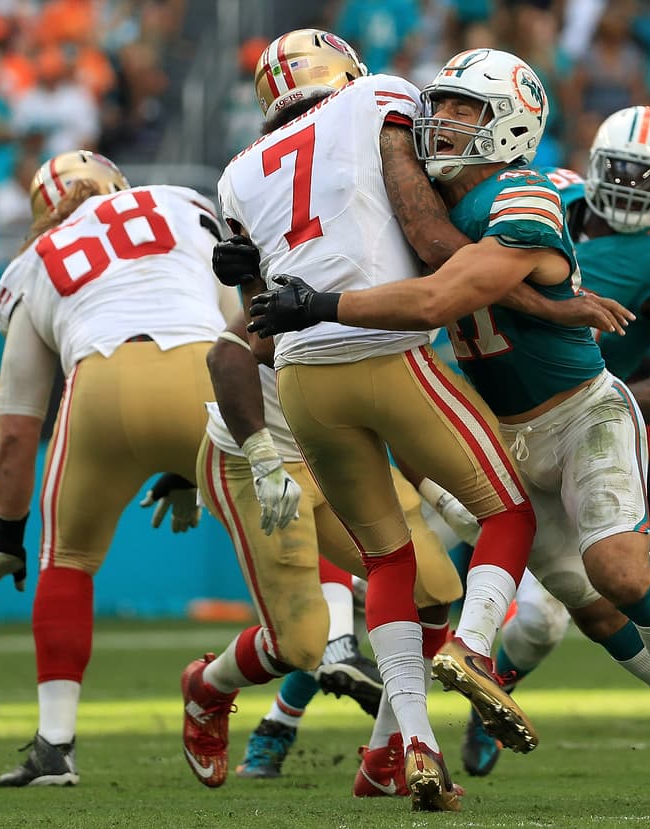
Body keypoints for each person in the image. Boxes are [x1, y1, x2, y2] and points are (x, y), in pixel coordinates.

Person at [247, 55, 650, 804]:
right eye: (442, 107)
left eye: (465, 110)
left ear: (514, 124)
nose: (443, 121)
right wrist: (262, 254)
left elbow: (439, 296)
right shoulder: (438, 201)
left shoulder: (527, 194)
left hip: (581, 410)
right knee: (593, 613)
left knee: (620, 574)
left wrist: (320, 306)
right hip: (502, 430)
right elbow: (344, 217)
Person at [203, 30, 621, 812]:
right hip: (386, 351)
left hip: (299, 377)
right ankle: (471, 648)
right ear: (346, 71)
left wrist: (248, 265)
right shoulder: (377, 98)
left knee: (388, 561)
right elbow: (429, 237)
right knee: (508, 512)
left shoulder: (235, 174)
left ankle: (406, 749)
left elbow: (255, 299)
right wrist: (545, 298)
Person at [463, 108, 650, 793]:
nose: (636, 186)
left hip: (585, 429)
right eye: (624, 170)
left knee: (572, 609)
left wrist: (584, 393)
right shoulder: (543, 196)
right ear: (595, 164)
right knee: (435, 577)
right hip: (486, 422)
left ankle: (495, 684)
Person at [0, 149, 238, 787]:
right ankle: (342, 634)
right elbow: (240, 330)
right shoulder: (179, 205)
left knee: (67, 560)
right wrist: (201, 454)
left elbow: (16, 429)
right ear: (118, 183)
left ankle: (55, 745)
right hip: (203, 375)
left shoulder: (33, 261)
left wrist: (7, 536)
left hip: (98, 389)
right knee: (295, 525)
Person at [178, 311, 465, 793]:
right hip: (256, 462)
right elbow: (227, 354)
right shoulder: (309, 263)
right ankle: (207, 686)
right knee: (301, 646)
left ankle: (384, 759)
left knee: (433, 589)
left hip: (336, 454)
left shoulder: (404, 289)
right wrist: (263, 457)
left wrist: (442, 497)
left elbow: (399, 409)